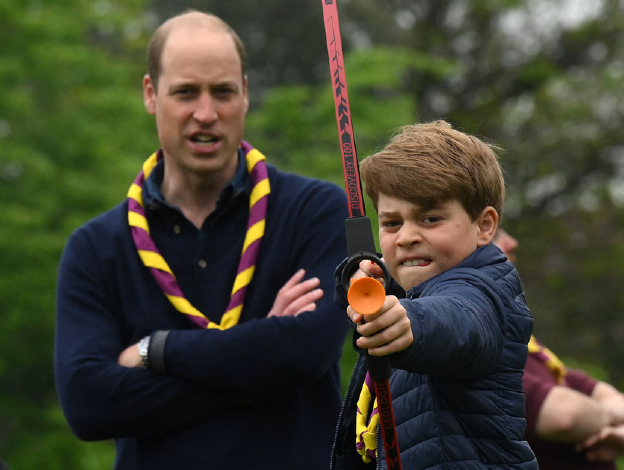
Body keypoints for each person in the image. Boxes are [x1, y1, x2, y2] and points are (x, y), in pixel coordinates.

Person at [54, 10, 350, 470]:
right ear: (151, 95)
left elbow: (307, 351)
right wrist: (262, 353)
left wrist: (158, 351)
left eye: (224, 92)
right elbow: (89, 405)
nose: (206, 113)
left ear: (246, 94)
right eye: (186, 92)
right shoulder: (95, 248)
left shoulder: (317, 210)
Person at [329, 120, 538, 469]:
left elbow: (458, 321)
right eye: (392, 223)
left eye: (430, 219)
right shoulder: (410, 286)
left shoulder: (485, 291)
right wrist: (354, 275)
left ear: (484, 226)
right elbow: (384, 288)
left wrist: (409, 324)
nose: (407, 236)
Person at [494, 229, 624, 469]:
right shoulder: (477, 344)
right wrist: (614, 418)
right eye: (494, 235)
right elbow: (566, 415)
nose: (512, 243)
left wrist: (621, 430)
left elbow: (616, 400)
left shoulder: (525, 341)